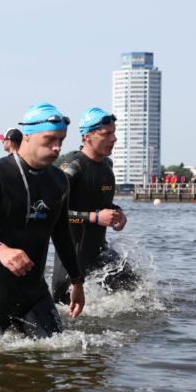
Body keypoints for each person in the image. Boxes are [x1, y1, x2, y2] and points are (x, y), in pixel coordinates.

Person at [0, 102, 85, 338]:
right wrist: (0, 249)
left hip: (34, 291)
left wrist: (77, 283)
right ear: (27, 136)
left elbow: (62, 235)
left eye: (61, 140)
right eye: (50, 139)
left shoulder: (59, 181)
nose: (57, 147)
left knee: (56, 354)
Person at [50, 107, 136, 304]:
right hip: (71, 261)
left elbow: (102, 203)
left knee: (139, 293)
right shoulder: (74, 167)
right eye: (107, 134)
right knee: (64, 313)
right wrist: (95, 217)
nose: (114, 139)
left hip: (100, 254)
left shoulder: (107, 166)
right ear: (87, 136)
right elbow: (55, 213)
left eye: (114, 133)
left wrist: (118, 212)